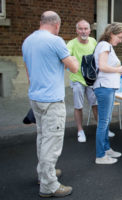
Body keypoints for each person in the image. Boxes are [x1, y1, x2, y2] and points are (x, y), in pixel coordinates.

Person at [22, 11, 79, 197]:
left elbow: (29, 71)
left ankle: (44, 173)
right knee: (51, 143)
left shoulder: (28, 41)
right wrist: (74, 59)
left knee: (42, 137)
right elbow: (74, 67)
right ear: (57, 25)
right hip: (52, 100)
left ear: (42, 23)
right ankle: (49, 185)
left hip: (36, 97)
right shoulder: (56, 41)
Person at [93, 23, 122, 164]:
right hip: (105, 87)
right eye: (119, 37)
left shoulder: (105, 46)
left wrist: (121, 70)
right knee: (103, 122)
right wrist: (119, 69)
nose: (120, 40)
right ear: (111, 34)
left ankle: (106, 149)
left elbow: (107, 66)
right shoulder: (105, 45)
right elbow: (102, 66)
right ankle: (100, 156)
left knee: (105, 121)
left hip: (107, 87)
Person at [67, 19, 98, 142]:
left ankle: (101, 129)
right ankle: (80, 131)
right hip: (77, 79)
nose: (83, 31)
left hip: (91, 80)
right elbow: (66, 58)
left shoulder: (94, 41)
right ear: (76, 30)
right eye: (80, 29)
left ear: (90, 30)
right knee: (78, 106)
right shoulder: (71, 44)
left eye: (86, 29)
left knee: (96, 105)